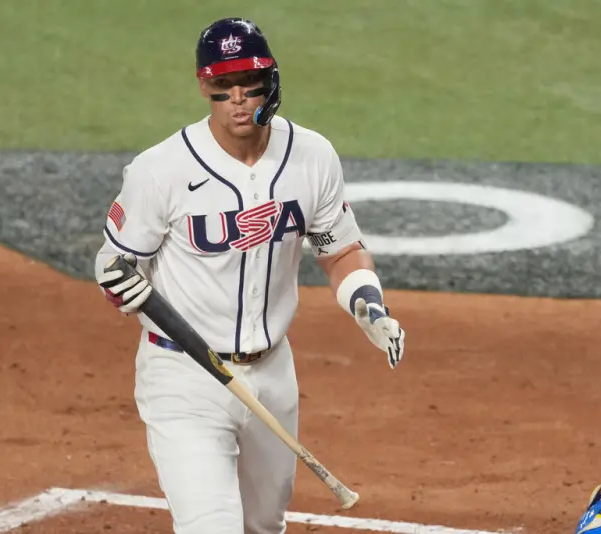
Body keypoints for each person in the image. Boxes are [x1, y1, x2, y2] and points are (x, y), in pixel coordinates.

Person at [95, 17, 406, 534]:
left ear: (271, 81)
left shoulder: (312, 157)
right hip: (185, 373)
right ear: (204, 87)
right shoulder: (160, 170)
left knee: (262, 526)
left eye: (248, 83)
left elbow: (340, 250)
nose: (237, 99)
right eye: (222, 86)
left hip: (273, 374)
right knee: (211, 526)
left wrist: (367, 303)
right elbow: (114, 261)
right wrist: (119, 286)